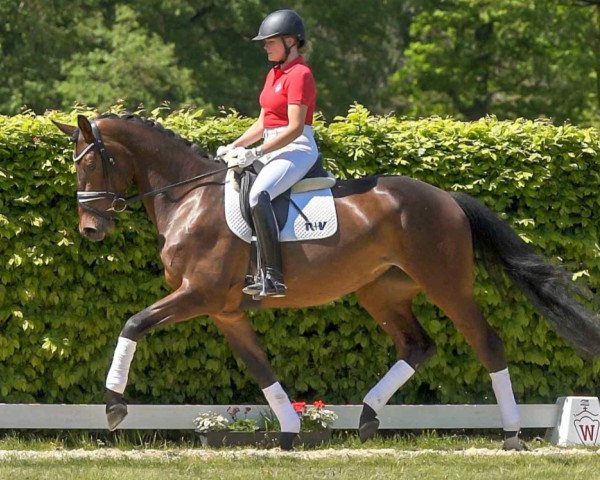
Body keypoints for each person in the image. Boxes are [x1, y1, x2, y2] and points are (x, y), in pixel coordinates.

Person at [217, 9, 319, 298]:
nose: (265, 47)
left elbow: (296, 128)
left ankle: (273, 276)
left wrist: (256, 152)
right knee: (237, 188)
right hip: (272, 146)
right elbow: (263, 123)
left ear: (290, 41)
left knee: (257, 195)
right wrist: (236, 146)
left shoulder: (300, 75)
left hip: (295, 148)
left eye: (269, 42)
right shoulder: (274, 73)